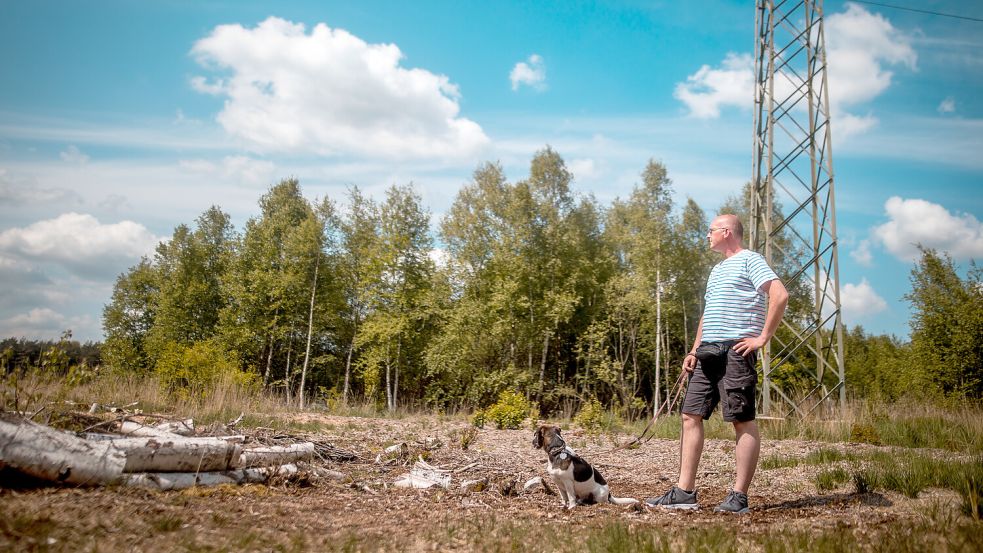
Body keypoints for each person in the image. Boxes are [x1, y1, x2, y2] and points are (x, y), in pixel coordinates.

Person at [646, 213, 788, 514]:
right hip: (707, 351)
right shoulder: (717, 270)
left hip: (736, 351)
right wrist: (694, 350)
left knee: (741, 419)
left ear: (726, 232)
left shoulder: (751, 259)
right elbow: (708, 314)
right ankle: (684, 492)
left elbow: (779, 295)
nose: (707, 236)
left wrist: (762, 338)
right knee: (689, 415)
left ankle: (739, 497)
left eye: (710, 231)